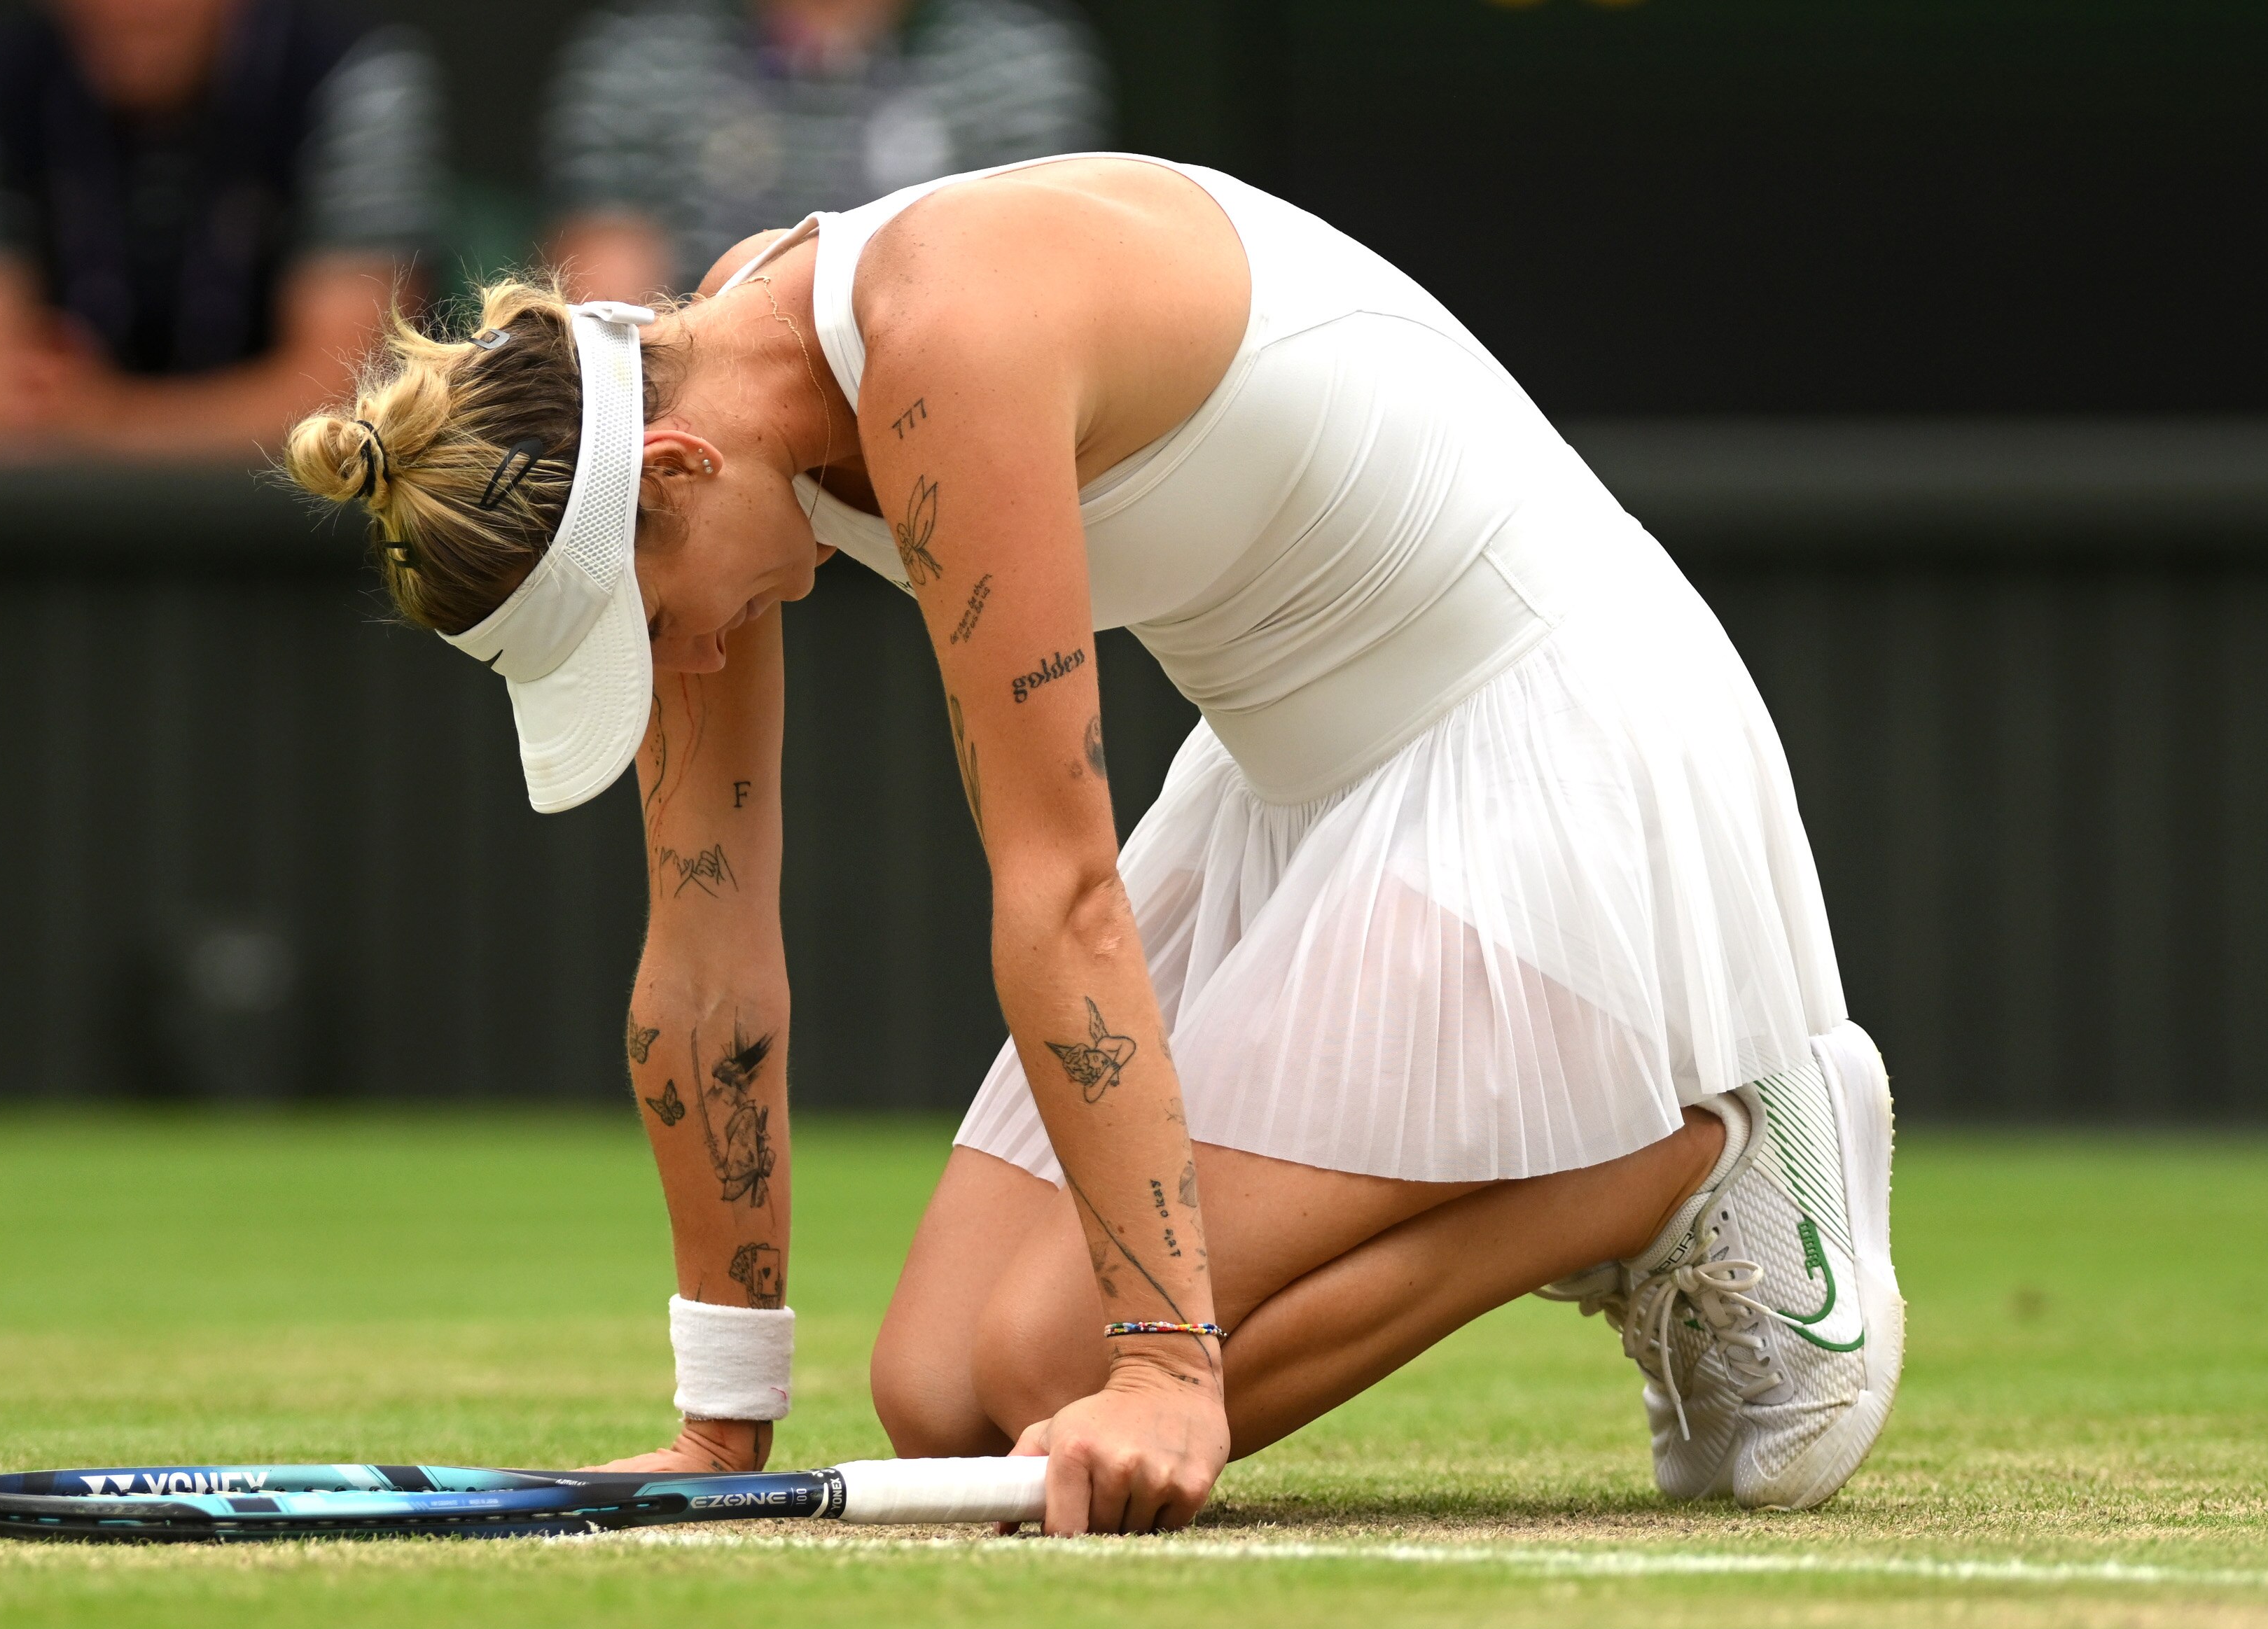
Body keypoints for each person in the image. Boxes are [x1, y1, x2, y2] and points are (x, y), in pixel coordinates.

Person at [279, 153, 1905, 1533]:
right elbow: (705, 957)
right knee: (939, 1402)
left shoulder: (944, 340)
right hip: (1299, 775)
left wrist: (1165, 1365)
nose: (682, 667)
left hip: (1543, 733)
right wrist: (721, 1420)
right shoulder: (695, 402)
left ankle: (1680, 1152)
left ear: (678, 475)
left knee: (1064, 1371)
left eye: (653, 630)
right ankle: (1598, 1160)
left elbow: (1053, 883)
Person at [0, 0, 440, 461]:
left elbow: (348, 403)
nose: (138, 10)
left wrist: (109, 418)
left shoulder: (348, 76)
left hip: (308, 535)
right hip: (52, 539)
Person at [541, 0, 1103, 303]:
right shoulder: (642, 52)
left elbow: (1026, 292)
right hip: (700, 402)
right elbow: (605, 305)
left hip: (930, 386)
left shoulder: (1016, 61)